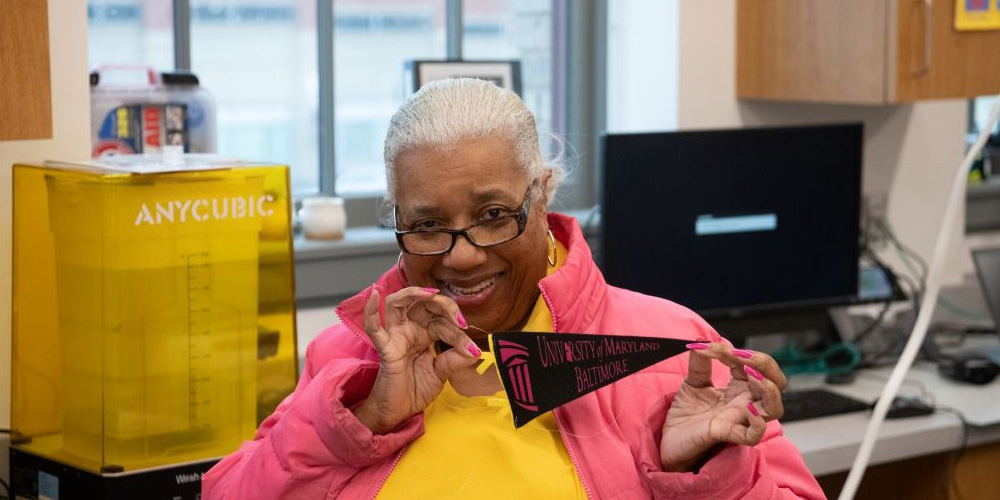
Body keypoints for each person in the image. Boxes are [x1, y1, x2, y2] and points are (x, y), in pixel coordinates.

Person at [203, 78, 827, 500]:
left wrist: (702, 475)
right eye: (425, 225)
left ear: (544, 192)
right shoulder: (350, 363)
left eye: (494, 214)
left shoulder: (670, 350)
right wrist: (360, 422)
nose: (465, 255)